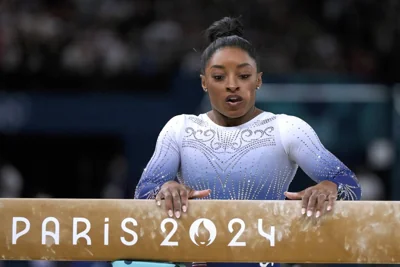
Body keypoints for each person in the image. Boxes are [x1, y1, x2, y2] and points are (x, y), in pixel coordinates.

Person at [132, 17, 362, 267]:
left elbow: (349, 185)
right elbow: (142, 194)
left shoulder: (286, 128)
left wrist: (329, 187)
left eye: (243, 75)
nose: (232, 85)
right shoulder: (181, 128)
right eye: (219, 77)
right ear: (203, 82)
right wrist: (165, 188)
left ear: (258, 80)